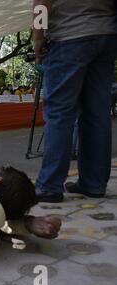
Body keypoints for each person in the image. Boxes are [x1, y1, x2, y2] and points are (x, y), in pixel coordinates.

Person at [34, 0, 117, 203]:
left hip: (69, 35)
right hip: (106, 35)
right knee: (98, 113)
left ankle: (50, 186)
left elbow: (41, 3)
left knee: (59, 114)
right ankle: (94, 184)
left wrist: (38, 37)